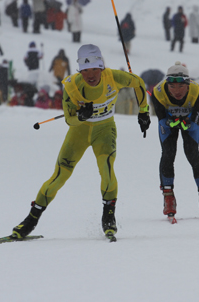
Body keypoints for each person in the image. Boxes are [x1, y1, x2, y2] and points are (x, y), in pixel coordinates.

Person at [10, 44, 150, 240]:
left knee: (107, 168)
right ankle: (31, 220)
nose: (90, 75)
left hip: (104, 129)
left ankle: (108, 215)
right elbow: (69, 119)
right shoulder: (72, 85)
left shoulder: (114, 77)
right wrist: (81, 117)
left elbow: (139, 83)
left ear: (101, 67)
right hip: (79, 132)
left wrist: (144, 111)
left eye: (94, 69)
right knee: (59, 176)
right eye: (85, 70)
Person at [151, 61, 199, 220]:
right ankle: (168, 197)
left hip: (190, 121)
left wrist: (188, 121)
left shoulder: (197, 91)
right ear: (167, 85)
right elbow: (161, 118)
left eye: (181, 86)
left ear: (187, 84)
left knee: (192, 153)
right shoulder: (158, 92)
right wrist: (170, 121)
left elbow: (197, 117)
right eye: (172, 87)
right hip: (168, 121)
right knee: (168, 154)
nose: (177, 91)